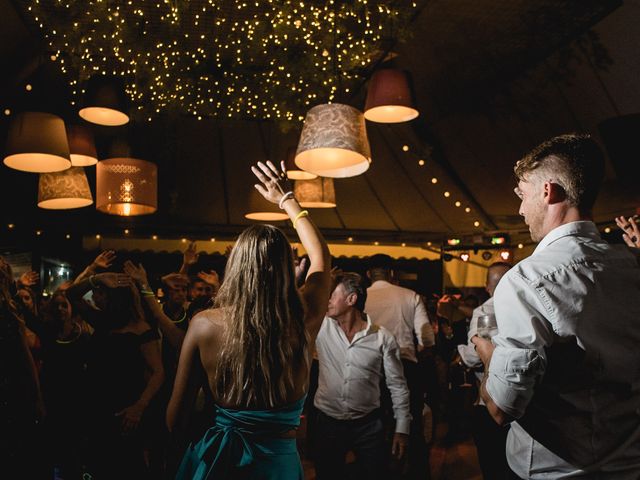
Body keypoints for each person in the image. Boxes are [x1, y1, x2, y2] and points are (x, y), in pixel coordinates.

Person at [472, 133, 640, 478]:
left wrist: (489, 357)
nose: (520, 209)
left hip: (554, 469)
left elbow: (502, 408)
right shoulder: (632, 265)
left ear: (548, 191)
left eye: (522, 194)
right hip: (628, 462)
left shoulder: (525, 280)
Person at [168, 160, 331, 479]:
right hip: (278, 465)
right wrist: (287, 200)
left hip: (219, 462)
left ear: (236, 267)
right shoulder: (302, 317)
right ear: (286, 268)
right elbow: (321, 256)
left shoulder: (204, 325)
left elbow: (175, 419)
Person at [313, 272, 411, 480]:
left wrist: (402, 428)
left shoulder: (382, 337)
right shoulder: (321, 327)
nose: (328, 301)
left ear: (351, 299)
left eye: (332, 295)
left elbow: (397, 385)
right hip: (327, 423)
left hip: (368, 427)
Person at [365, 253, 434, 479]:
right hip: (405, 365)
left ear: (369, 275)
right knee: (410, 421)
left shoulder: (360, 297)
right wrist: (421, 349)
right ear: (392, 274)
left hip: (371, 367)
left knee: (375, 423)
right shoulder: (409, 295)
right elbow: (427, 338)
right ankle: (417, 472)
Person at [455, 262, 511, 479]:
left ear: (487, 287)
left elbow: (472, 356)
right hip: (523, 399)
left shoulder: (485, 310)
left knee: (491, 463)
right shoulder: (526, 304)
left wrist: (460, 351)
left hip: (489, 398)